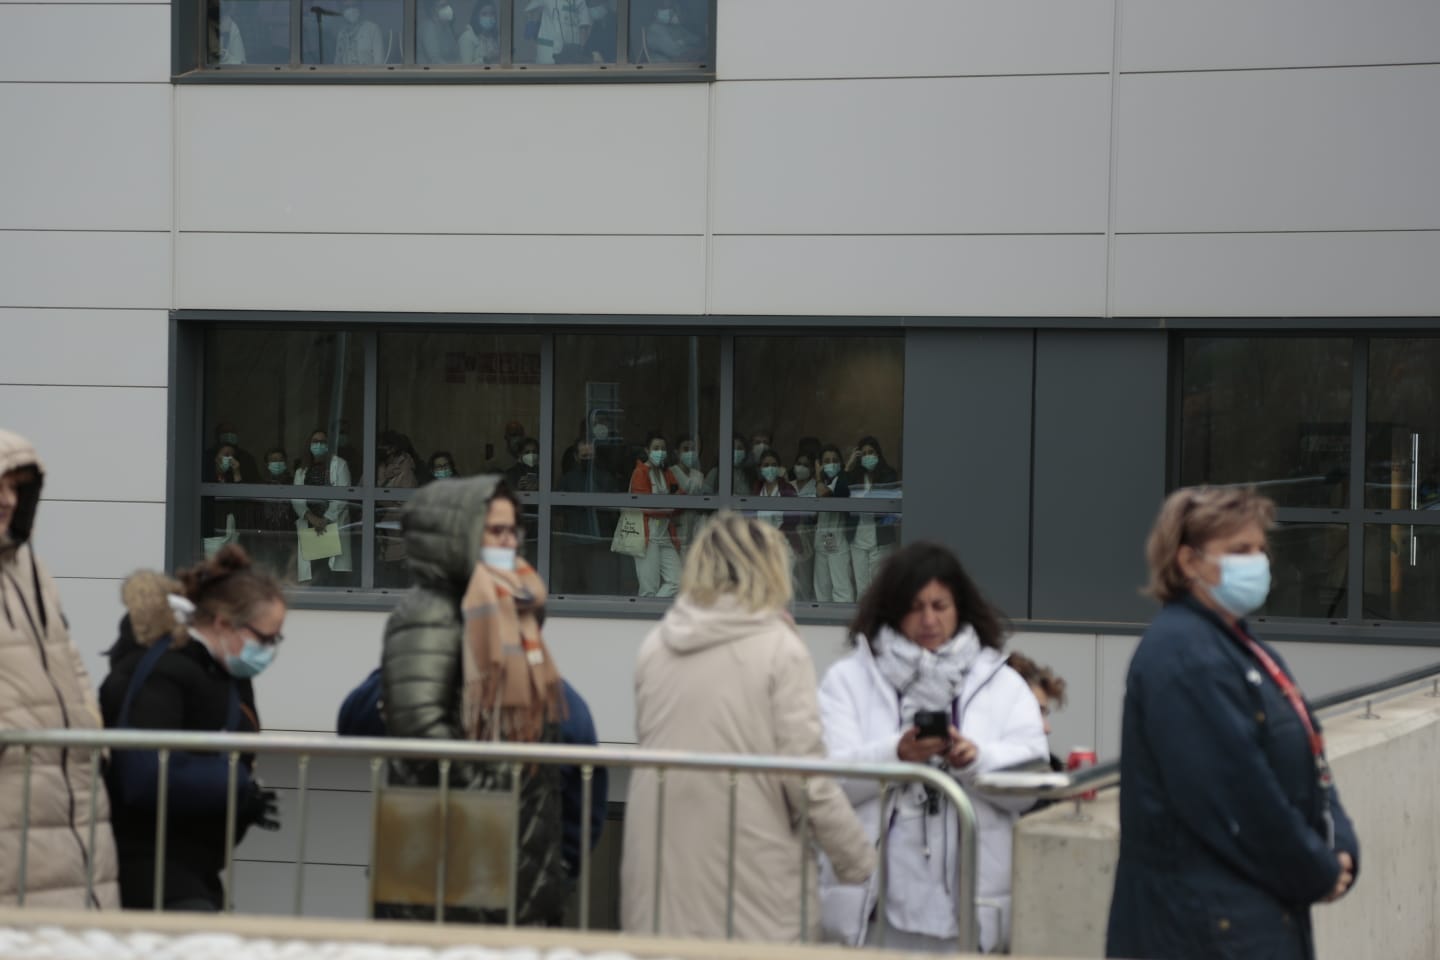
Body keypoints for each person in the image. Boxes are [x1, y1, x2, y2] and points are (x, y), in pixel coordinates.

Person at [1106, 487, 1359, 960]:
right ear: (1188, 561)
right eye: (1239, 550)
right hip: (1205, 929)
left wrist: (1339, 845)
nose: (1257, 561)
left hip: (1250, 918)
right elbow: (1235, 796)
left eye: (1260, 549)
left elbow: (1307, 753)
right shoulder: (1184, 657)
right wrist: (1316, 868)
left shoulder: (1239, 645)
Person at [621, 513, 875, 940]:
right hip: (752, 877)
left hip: (661, 871)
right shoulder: (780, 650)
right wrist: (858, 861)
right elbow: (805, 775)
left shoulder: (657, 645)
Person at [381, 476, 599, 925]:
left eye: (512, 530)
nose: (508, 540)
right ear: (461, 534)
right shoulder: (430, 612)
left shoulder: (516, 603)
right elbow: (421, 734)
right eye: (494, 530)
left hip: (516, 860)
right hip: (457, 861)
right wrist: (501, 794)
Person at [818, 542, 1047, 953]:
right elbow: (825, 782)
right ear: (891, 609)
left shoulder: (1000, 681)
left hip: (971, 910)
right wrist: (896, 756)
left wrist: (976, 760)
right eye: (915, 606)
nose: (928, 619)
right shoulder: (848, 680)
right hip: (873, 911)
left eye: (940, 605)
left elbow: (1031, 783)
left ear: (959, 607)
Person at [99, 546, 285, 910]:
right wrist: (236, 788)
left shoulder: (224, 673)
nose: (272, 649)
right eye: (266, 639)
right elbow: (145, 773)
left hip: (194, 866)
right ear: (223, 624)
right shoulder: (161, 669)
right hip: (150, 868)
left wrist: (244, 801)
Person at [0, 429, 121, 909]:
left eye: (16, 487)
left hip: (73, 802)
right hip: (15, 806)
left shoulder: (31, 568)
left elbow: (68, 661)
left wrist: (90, 732)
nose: (7, 500)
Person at [554, 439, 622, 595]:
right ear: (576, 457)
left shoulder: (606, 478)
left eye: (590, 455)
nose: (587, 459)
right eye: (584, 455)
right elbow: (557, 510)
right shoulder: (567, 479)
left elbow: (614, 508)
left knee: (598, 586)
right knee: (571, 586)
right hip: (573, 542)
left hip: (599, 543)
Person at [290, 427, 354, 586]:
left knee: (333, 577)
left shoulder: (339, 465)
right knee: (314, 574)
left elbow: (343, 496)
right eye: (315, 441)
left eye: (322, 442)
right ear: (309, 445)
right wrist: (311, 517)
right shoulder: (301, 470)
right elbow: (296, 498)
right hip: (311, 526)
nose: (318, 445)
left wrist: (325, 519)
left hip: (331, 525)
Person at [628, 432, 682, 598]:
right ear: (647, 450)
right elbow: (643, 506)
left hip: (664, 532)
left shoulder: (666, 473)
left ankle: (654, 608)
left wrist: (670, 506)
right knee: (648, 587)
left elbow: (682, 495)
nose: (660, 452)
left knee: (678, 581)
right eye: (656, 448)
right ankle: (646, 616)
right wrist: (669, 507)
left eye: (663, 448)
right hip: (647, 532)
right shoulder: (641, 472)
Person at [846, 435, 900, 596]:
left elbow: (886, 500)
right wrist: (848, 466)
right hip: (858, 539)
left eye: (871, 452)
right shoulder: (854, 475)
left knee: (880, 588)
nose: (868, 456)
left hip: (880, 538)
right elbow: (840, 492)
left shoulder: (888, 474)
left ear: (878, 454)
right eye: (864, 454)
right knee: (862, 589)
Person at [376, 431, 419, 587]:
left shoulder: (406, 469)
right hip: (383, 537)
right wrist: (383, 478)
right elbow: (361, 490)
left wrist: (381, 499)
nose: (387, 453)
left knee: (396, 585)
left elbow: (405, 506)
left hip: (398, 538)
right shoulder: (381, 466)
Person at [813, 444, 854, 603]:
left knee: (840, 585)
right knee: (822, 586)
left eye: (835, 460)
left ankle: (842, 622)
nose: (831, 463)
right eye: (826, 460)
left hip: (834, 538)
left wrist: (817, 476)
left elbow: (823, 494)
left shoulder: (840, 480)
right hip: (822, 538)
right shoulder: (822, 481)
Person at [249, 447, 297, 580]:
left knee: (289, 573)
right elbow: (256, 514)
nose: (277, 463)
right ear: (266, 464)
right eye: (273, 460)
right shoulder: (260, 485)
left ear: (286, 462)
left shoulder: (294, 483)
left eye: (280, 460)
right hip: (267, 537)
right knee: (269, 574)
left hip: (289, 535)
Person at [523, 0, 590, 64]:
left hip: (571, 52)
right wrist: (531, 22)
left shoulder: (579, 1)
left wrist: (581, 50)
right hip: (547, 49)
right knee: (545, 73)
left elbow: (584, 25)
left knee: (568, 73)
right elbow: (530, 9)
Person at [790, 450, 818, 602]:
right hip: (789, 535)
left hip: (807, 535)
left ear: (812, 469)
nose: (801, 467)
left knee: (805, 577)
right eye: (799, 464)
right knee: (789, 577)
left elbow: (815, 514)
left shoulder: (815, 487)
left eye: (806, 465)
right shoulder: (788, 485)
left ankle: (806, 609)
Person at [334, 0, 386, 64]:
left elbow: (379, 63)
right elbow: (337, 63)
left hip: (368, 73)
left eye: (354, 5)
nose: (351, 9)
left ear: (360, 7)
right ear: (342, 10)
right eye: (347, 6)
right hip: (346, 73)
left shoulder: (372, 29)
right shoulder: (341, 34)